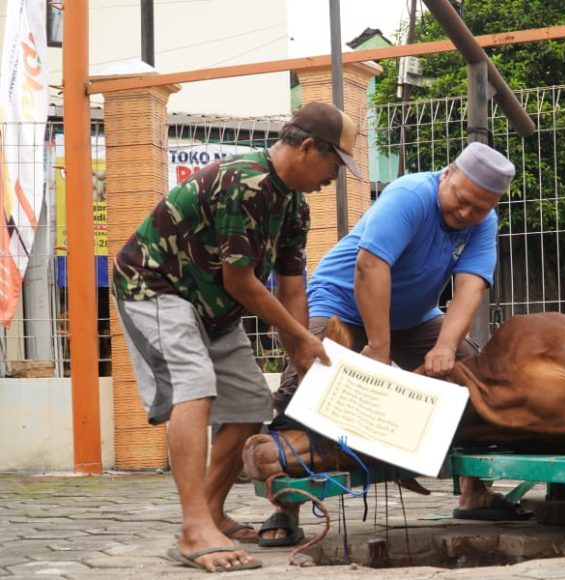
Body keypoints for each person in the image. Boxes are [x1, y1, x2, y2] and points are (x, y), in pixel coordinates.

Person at [113, 101, 360, 572]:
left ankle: (208, 513)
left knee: (249, 403)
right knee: (195, 384)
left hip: (213, 310)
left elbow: (291, 290)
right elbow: (240, 282)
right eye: (334, 163)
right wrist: (301, 341)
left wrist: (300, 354)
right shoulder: (245, 182)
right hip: (157, 287)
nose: (335, 177)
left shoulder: (295, 206)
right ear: (308, 147)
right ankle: (193, 530)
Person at [258, 142, 524, 547]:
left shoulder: (483, 223)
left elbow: (470, 287)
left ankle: (474, 492)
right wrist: (379, 349)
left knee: (475, 378)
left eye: (481, 208)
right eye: (463, 201)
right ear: (447, 174)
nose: (468, 214)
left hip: (414, 317)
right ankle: (285, 507)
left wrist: (447, 347)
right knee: (304, 382)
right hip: (341, 302)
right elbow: (371, 266)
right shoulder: (409, 195)